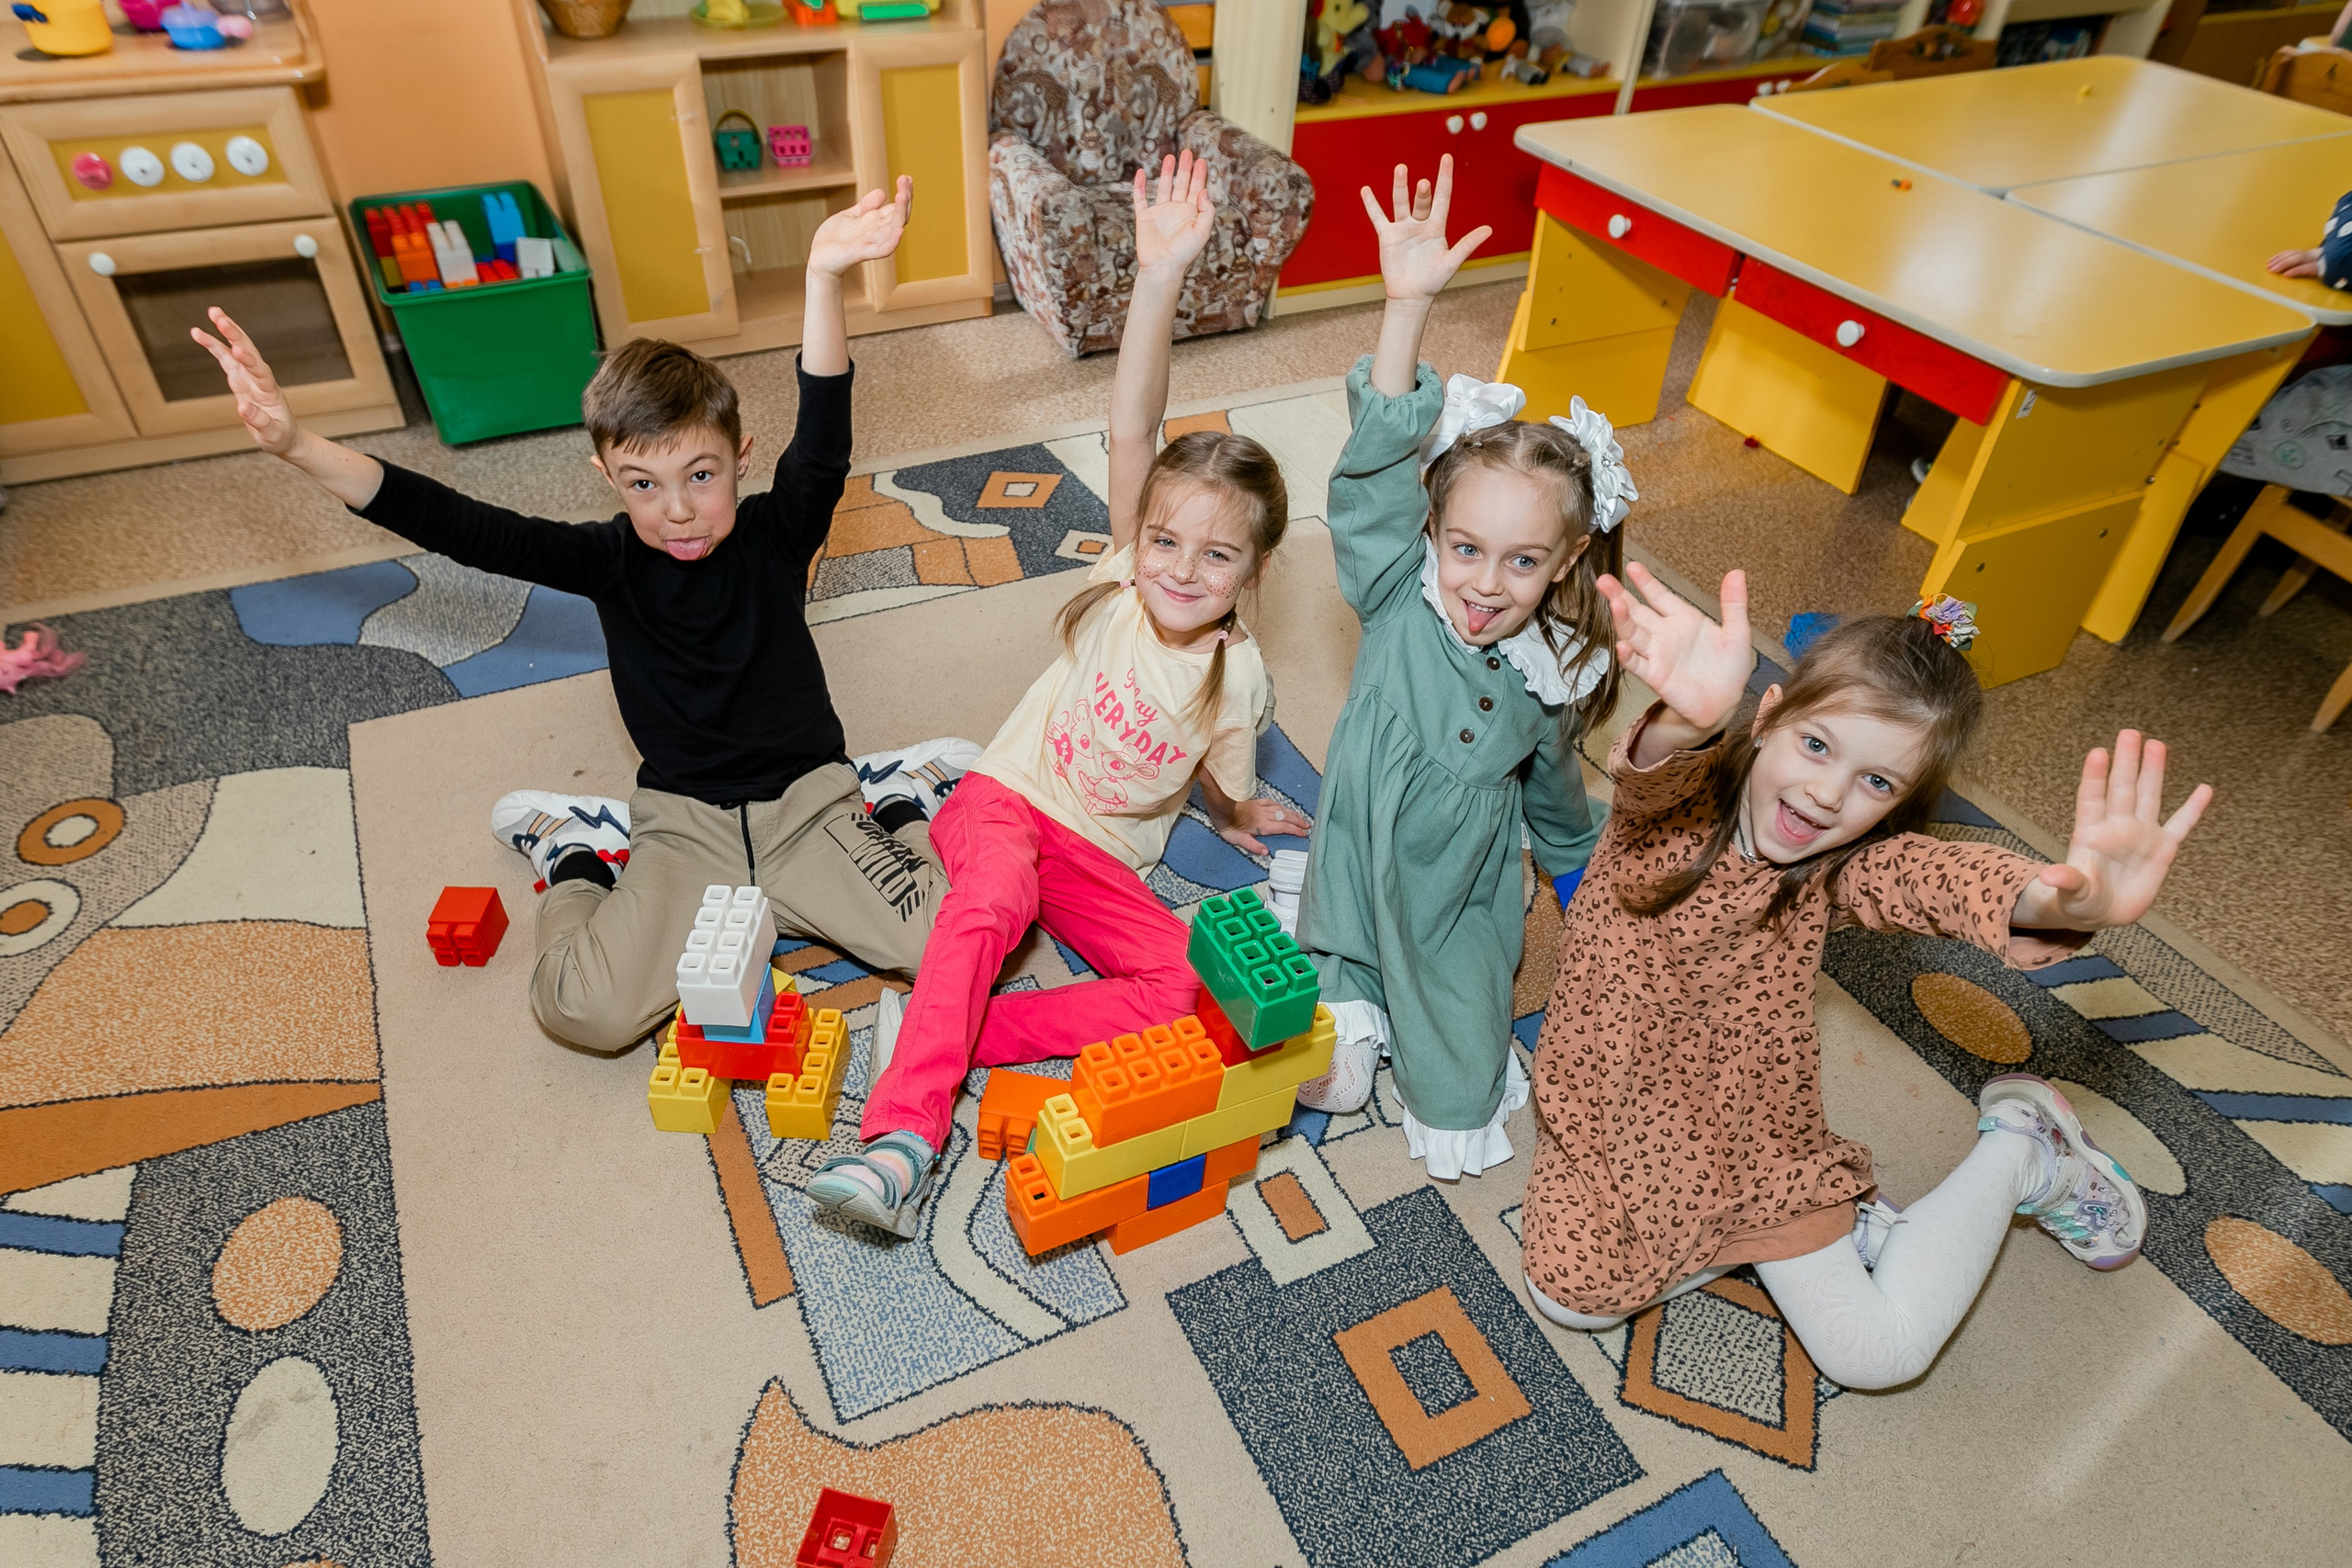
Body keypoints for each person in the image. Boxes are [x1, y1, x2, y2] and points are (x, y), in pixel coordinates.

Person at [193, 179, 961, 1052]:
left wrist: (823, 277)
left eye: (700, 476)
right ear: (607, 480)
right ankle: (575, 851)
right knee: (581, 1012)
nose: (676, 510)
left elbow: (824, 442)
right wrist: (297, 445)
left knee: (960, 946)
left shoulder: (777, 534)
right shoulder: (603, 559)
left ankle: (895, 796)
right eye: (644, 485)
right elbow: (454, 522)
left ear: (741, 458)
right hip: (685, 826)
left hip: (810, 808)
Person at [1521, 572, 2211, 1390]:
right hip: (1607, 1114)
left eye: (1877, 783)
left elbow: (1938, 878)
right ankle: (1854, 1231)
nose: (1825, 795)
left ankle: (2027, 1149)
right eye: (1816, 745)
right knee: (1571, 1295)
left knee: (1875, 1359)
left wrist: (2064, 899)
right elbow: (1653, 770)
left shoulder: (1838, 867)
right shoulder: (1673, 807)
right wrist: (1690, 716)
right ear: (1769, 716)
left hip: (1752, 1143)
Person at [807, 152, 1301, 1235]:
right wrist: (1159, 275)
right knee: (990, 903)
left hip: (1096, 860)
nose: (1179, 567)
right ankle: (902, 1137)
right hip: (1004, 802)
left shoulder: (1240, 675)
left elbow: (1222, 778)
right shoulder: (1124, 575)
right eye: (1165, 537)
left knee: (1193, 989)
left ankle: (956, 1029)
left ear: (1254, 575)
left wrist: (1237, 809)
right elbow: (1133, 428)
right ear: (1139, 538)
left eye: (1216, 558)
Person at [1289, 156, 1616, 1181]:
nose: (1483, 583)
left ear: (1565, 561)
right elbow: (1375, 468)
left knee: (1459, 1087)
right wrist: (1404, 310)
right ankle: (1350, 1003)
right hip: (1353, 860)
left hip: (1457, 899)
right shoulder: (1399, 586)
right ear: (1431, 532)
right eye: (1465, 547)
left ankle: (1419, 1021)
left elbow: (1558, 793)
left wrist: (1582, 883)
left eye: (1522, 561)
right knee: (1325, 1062)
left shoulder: (1554, 670)